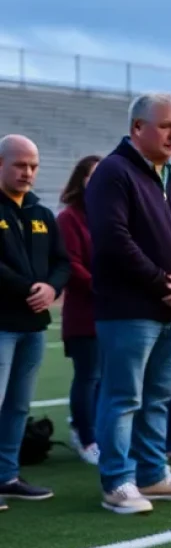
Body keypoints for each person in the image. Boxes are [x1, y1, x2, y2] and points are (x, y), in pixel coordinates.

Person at [87, 94, 171, 514]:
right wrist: (163, 283)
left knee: (158, 397)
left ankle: (152, 474)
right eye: (164, 126)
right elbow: (112, 238)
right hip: (129, 309)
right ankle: (117, 481)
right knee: (123, 398)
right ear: (138, 128)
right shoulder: (114, 172)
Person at [0, 134, 69, 504]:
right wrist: (31, 287)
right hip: (3, 322)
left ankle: (7, 475)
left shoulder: (42, 213)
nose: (28, 172)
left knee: (19, 405)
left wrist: (51, 288)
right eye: (20, 164)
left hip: (33, 325)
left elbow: (62, 261)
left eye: (33, 166)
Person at [57, 154, 102, 465]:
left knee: (106, 379)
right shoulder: (68, 218)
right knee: (88, 376)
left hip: (113, 312)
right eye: (93, 176)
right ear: (80, 180)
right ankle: (85, 437)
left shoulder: (111, 216)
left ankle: (98, 432)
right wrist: (103, 287)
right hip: (84, 313)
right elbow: (70, 264)